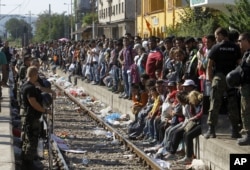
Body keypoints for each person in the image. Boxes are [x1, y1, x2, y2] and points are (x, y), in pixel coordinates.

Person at [204, 27, 242, 139]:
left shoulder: (216, 47)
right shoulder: (235, 47)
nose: (216, 39)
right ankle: (235, 130)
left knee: (215, 102)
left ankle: (211, 130)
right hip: (231, 78)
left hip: (219, 77)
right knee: (233, 104)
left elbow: (209, 65)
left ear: (221, 35)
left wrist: (210, 79)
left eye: (216, 36)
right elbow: (239, 64)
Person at [20, 66, 50, 170]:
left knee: (27, 140)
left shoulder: (25, 85)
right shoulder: (30, 88)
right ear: (33, 75)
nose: (37, 77)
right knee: (32, 141)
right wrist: (44, 110)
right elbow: (33, 103)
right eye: (36, 74)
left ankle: (26, 161)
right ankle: (28, 164)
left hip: (29, 117)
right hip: (31, 117)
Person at [236, 32, 250, 145]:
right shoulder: (246, 54)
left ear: (247, 40)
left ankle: (248, 135)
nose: (238, 43)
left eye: (240, 40)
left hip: (248, 86)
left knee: (246, 111)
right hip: (245, 86)